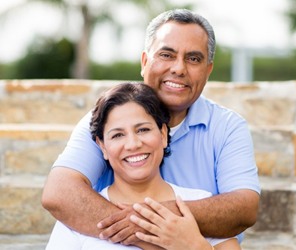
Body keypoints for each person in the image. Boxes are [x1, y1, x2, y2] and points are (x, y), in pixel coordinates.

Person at [42, 8, 260, 247]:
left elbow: (244, 208)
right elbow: (60, 192)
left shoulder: (227, 127)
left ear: (208, 70)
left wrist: (150, 224)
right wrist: (152, 236)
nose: (178, 68)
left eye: (194, 58)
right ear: (145, 62)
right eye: (166, 55)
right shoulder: (107, 117)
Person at [46, 82, 240, 249]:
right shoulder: (78, 216)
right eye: (118, 135)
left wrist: (195, 247)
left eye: (143, 130)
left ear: (163, 135)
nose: (133, 144)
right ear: (102, 146)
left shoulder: (199, 203)